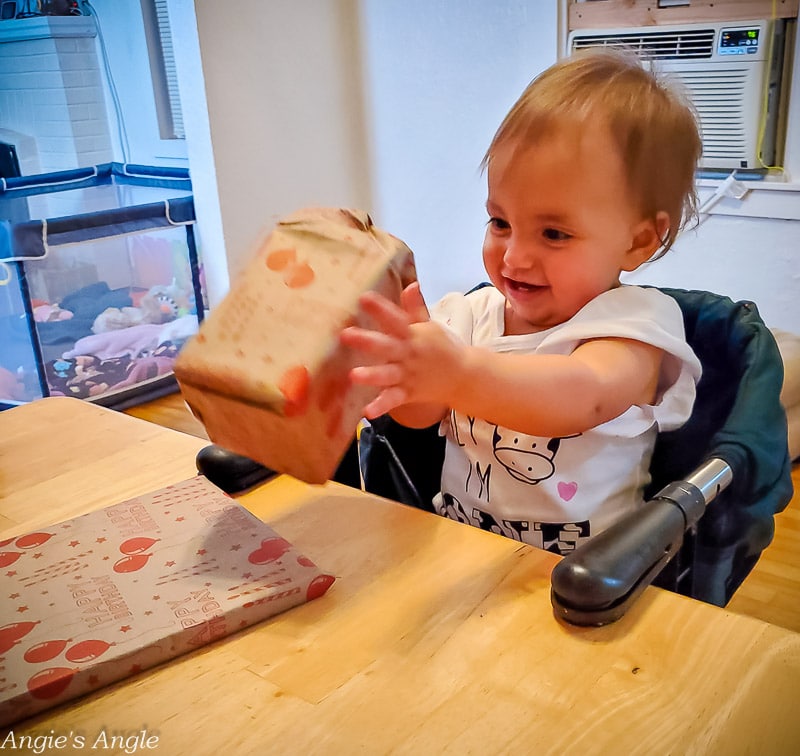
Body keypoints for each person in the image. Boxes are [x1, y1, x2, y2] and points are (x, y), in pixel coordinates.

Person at [340, 48, 703, 555]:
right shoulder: (470, 315)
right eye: (500, 222)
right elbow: (419, 418)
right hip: (462, 552)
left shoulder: (635, 324)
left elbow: (584, 395)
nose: (514, 256)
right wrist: (409, 371)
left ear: (639, 241)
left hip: (585, 579)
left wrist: (458, 374)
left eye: (553, 233)